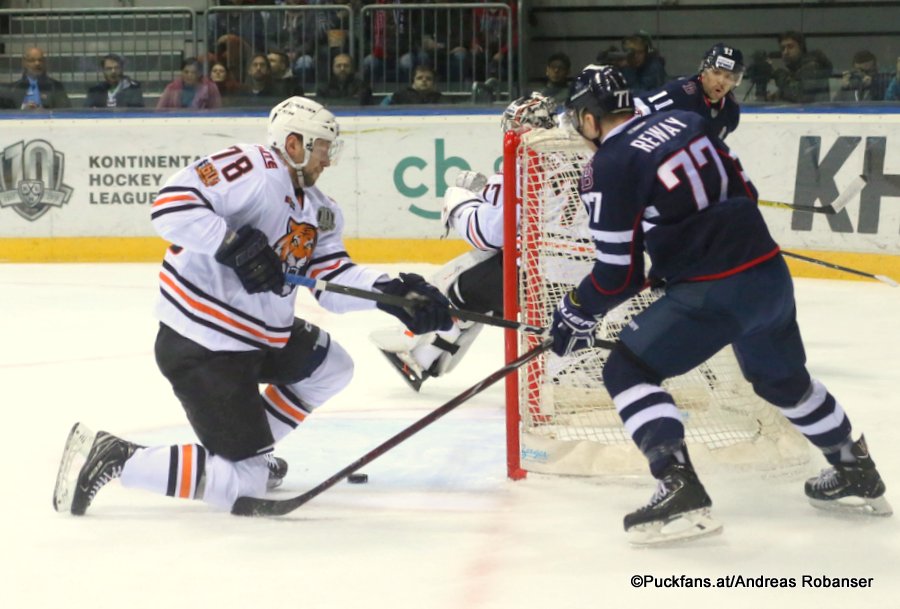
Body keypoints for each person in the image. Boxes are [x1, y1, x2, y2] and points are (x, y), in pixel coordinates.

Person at [53, 96, 453, 516]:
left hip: (261, 338)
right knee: (243, 486)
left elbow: (330, 280)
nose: (328, 161)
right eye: (321, 148)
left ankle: (249, 455)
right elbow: (170, 205)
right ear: (294, 144)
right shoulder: (252, 168)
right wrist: (229, 244)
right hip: (204, 344)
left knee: (333, 367)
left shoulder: (321, 210)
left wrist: (389, 291)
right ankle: (117, 456)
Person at [551, 65, 891, 544]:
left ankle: (679, 488)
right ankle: (855, 469)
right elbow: (745, 192)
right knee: (782, 380)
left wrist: (576, 309)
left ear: (589, 119)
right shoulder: (690, 123)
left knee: (627, 371)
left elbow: (618, 276)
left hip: (711, 291)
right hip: (769, 276)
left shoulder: (608, 163)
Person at [370, 92, 559, 390]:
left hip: (537, 276)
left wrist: (458, 201)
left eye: (515, 126)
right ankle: (423, 357)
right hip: (574, 273)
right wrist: (487, 191)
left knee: (459, 293)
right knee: (474, 286)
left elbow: (489, 235)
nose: (511, 133)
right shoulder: (574, 156)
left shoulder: (525, 165)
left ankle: (421, 358)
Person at [634, 43, 744, 140]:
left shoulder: (731, 111)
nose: (721, 81)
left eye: (729, 76)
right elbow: (638, 109)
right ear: (703, 71)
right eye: (716, 72)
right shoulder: (681, 92)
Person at [771, 31, 832, 103]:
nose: (785, 52)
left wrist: (779, 75)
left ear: (801, 48)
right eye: (782, 48)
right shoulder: (797, 70)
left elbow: (800, 97)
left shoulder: (812, 67)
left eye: (790, 47)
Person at [599, 32, 666, 94]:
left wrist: (627, 68)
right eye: (632, 53)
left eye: (640, 53)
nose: (636, 57)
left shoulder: (653, 67)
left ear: (645, 53)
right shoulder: (626, 65)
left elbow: (640, 94)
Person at [6, 46, 71, 109]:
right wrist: (23, 111)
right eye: (32, 60)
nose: (37, 63)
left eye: (40, 60)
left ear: (44, 62)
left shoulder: (56, 86)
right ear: (24, 63)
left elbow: (65, 111)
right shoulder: (13, 88)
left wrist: (43, 113)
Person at [156, 58, 222, 109]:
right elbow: (159, 110)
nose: (189, 75)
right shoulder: (172, 88)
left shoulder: (210, 88)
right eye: (186, 72)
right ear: (181, 72)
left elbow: (217, 110)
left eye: (193, 72)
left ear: (199, 74)